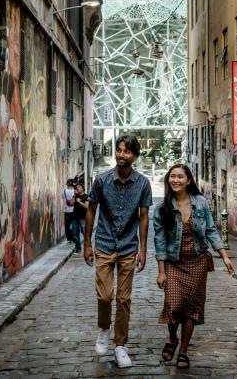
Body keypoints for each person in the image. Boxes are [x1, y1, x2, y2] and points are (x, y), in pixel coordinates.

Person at [153, 164, 235, 369]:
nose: (176, 180)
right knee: (173, 305)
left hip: (197, 262)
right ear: (168, 179)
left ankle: (183, 350)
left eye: (180, 176)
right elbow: (160, 241)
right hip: (173, 263)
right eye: (172, 176)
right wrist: (161, 272)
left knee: (191, 309)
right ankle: (173, 338)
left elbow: (211, 230)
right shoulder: (162, 209)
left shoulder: (200, 203)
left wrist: (224, 256)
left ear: (188, 180)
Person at [84, 135, 152, 368]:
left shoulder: (143, 184)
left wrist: (143, 250)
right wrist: (86, 243)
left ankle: (120, 345)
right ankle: (104, 329)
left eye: (127, 152)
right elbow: (91, 210)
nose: (121, 155)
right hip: (103, 244)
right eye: (119, 150)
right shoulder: (101, 181)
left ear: (135, 156)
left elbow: (144, 218)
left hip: (128, 247)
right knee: (104, 295)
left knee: (124, 299)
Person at [71, 182, 88, 253]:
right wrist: (74, 196)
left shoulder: (86, 196)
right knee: (74, 234)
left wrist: (79, 202)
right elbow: (71, 204)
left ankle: (87, 248)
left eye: (79, 187)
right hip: (75, 218)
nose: (77, 188)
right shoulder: (75, 196)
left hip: (83, 218)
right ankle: (78, 249)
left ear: (82, 188)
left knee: (85, 234)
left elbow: (87, 207)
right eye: (76, 187)